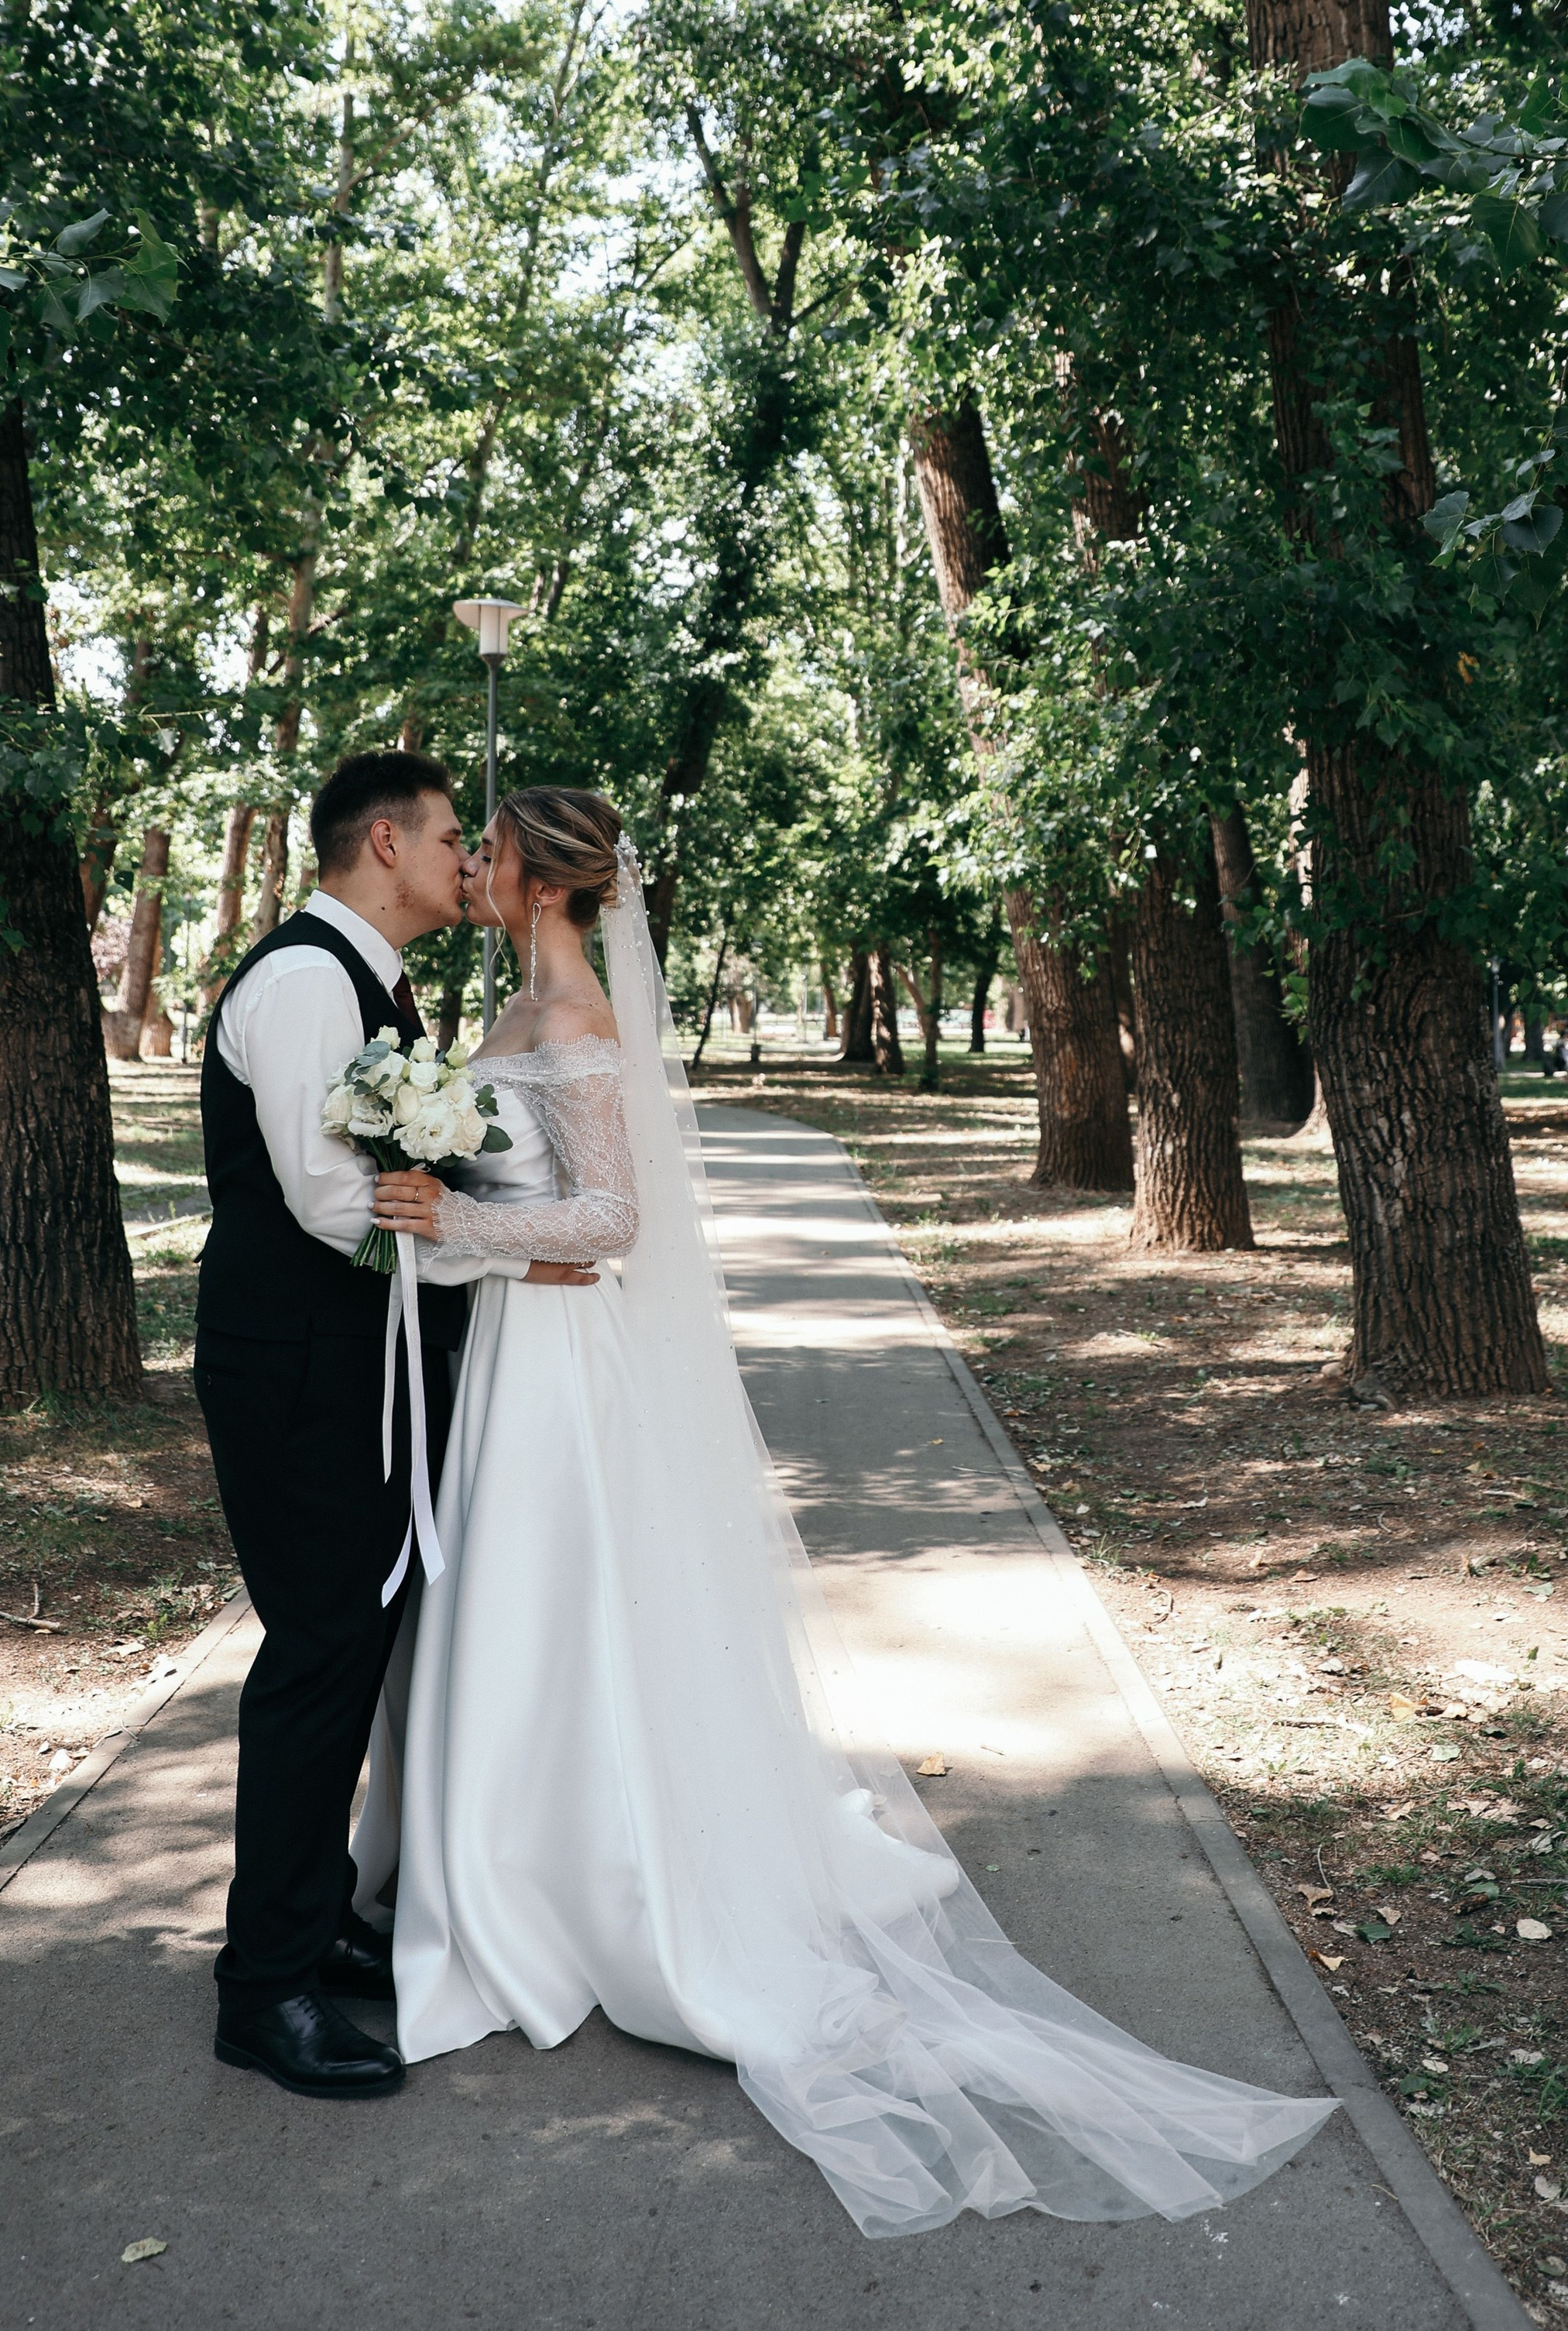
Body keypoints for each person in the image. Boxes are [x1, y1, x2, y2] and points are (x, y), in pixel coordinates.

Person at [361, 785, 1336, 2237]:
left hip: (564, 1362)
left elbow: (611, 1221)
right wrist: (453, 1210)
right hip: (517, 1350)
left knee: (562, 1606)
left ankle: (565, 1883)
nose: (476, 868)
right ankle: (496, 1865)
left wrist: (462, 1223)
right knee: (525, 1611)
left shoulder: (570, 1030)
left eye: (492, 851)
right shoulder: (508, 1018)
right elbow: (539, 1197)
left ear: (551, 885)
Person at [194, 751, 592, 2102]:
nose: (461, 864)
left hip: (353, 1370)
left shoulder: (372, 978)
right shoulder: (311, 980)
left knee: (352, 1645)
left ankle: (304, 1932)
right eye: (444, 841)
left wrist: (476, 1235)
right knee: (319, 1657)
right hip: (303, 1375)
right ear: (383, 843)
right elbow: (327, 1202)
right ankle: (266, 1995)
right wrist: (496, 1249)